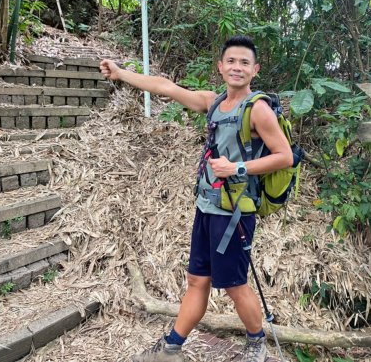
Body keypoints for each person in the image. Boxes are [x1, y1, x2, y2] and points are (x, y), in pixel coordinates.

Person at [100, 35, 293, 362]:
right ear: (221, 67)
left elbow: (285, 156)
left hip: (234, 214)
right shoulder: (215, 103)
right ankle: (172, 347)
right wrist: (122, 74)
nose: (237, 67)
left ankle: (257, 343)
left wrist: (237, 167)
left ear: (255, 70)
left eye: (244, 62)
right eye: (231, 61)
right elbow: (167, 87)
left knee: (234, 284)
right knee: (196, 280)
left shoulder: (257, 109)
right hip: (207, 207)